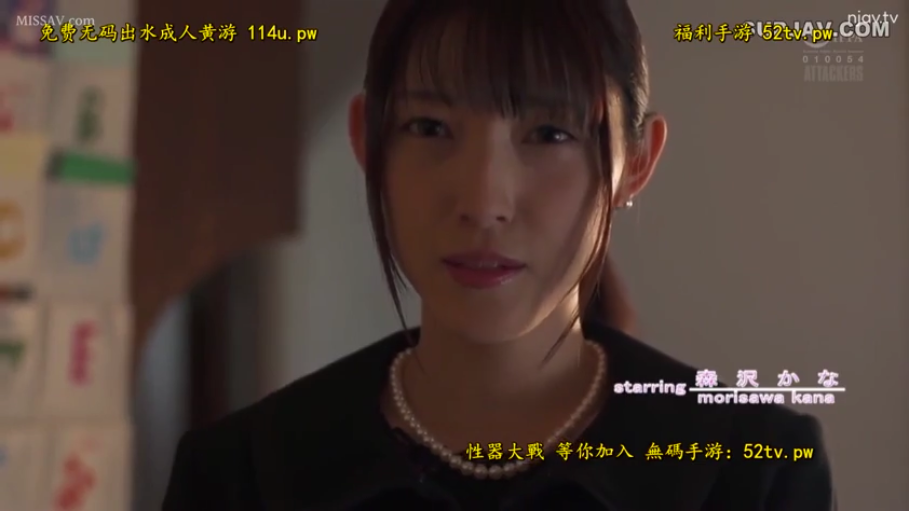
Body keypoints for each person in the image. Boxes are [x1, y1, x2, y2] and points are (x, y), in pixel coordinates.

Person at [163, 1, 835, 509]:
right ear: (369, 142)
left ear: (635, 162)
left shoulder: (752, 472)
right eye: (430, 127)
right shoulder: (243, 474)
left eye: (549, 133)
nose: (484, 201)